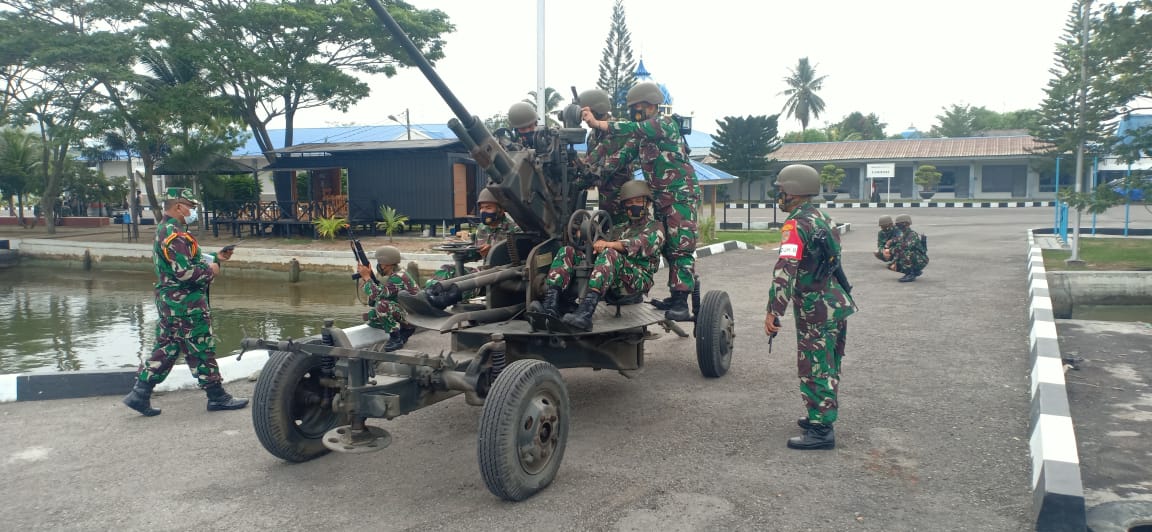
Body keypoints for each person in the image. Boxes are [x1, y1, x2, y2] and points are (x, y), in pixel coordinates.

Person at [122, 187, 248, 416]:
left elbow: (185, 261)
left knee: (167, 347)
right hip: (186, 304)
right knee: (201, 346)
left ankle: (139, 394)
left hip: (171, 303)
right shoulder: (175, 235)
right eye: (190, 206)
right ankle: (216, 396)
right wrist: (213, 270)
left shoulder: (166, 230)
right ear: (178, 206)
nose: (192, 211)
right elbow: (185, 273)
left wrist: (216, 257)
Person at [582, 81, 701, 322]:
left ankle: (680, 303)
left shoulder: (664, 124)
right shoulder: (642, 137)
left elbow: (631, 129)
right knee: (665, 246)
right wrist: (590, 170)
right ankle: (674, 294)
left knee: (681, 247)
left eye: (638, 107)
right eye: (633, 108)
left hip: (679, 197)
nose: (635, 111)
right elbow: (621, 155)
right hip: (659, 199)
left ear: (651, 106)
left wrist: (598, 123)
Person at [762, 165, 857, 450]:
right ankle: (819, 413)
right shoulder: (822, 217)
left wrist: (773, 310)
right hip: (834, 301)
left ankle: (821, 429)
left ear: (793, 192)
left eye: (781, 190)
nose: (779, 195)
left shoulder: (796, 225)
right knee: (828, 361)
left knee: (814, 366)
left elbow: (786, 269)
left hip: (815, 307)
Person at [529, 180, 665, 331]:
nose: (634, 205)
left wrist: (610, 245)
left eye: (638, 201)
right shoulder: (619, 229)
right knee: (568, 252)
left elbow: (639, 244)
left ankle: (585, 315)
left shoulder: (656, 228)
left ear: (647, 203)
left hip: (637, 282)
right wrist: (585, 233)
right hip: (612, 279)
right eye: (629, 202)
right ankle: (551, 307)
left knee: (610, 254)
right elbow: (598, 243)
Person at [425, 188, 522, 289]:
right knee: (445, 271)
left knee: (457, 287)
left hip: (504, 275)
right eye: (481, 208)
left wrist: (492, 250)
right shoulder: (482, 228)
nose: (483, 211)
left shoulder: (514, 230)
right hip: (485, 272)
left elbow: (519, 260)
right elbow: (476, 253)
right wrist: (460, 252)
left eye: (488, 208)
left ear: (501, 210)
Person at [574, 88, 634, 224]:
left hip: (619, 202)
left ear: (595, 110)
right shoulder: (592, 136)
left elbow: (605, 165)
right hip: (596, 200)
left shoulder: (620, 128)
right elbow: (589, 167)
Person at [359, 246, 420, 352]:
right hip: (410, 314)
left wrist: (367, 278)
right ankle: (403, 332)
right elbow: (384, 294)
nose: (378, 265)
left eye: (379, 263)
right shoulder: (397, 274)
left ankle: (396, 339)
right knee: (372, 316)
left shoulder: (398, 277)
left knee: (383, 305)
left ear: (387, 264)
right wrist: (367, 281)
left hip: (414, 317)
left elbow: (379, 296)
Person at [886, 213, 929, 282]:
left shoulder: (912, 235)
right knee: (891, 266)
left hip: (920, 260)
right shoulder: (904, 234)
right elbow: (897, 243)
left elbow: (904, 247)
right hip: (916, 258)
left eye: (898, 224)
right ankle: (915, 271)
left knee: (905, 252)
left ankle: (911, 274)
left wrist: (890, 251)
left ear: (905, 224)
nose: (897, 226)